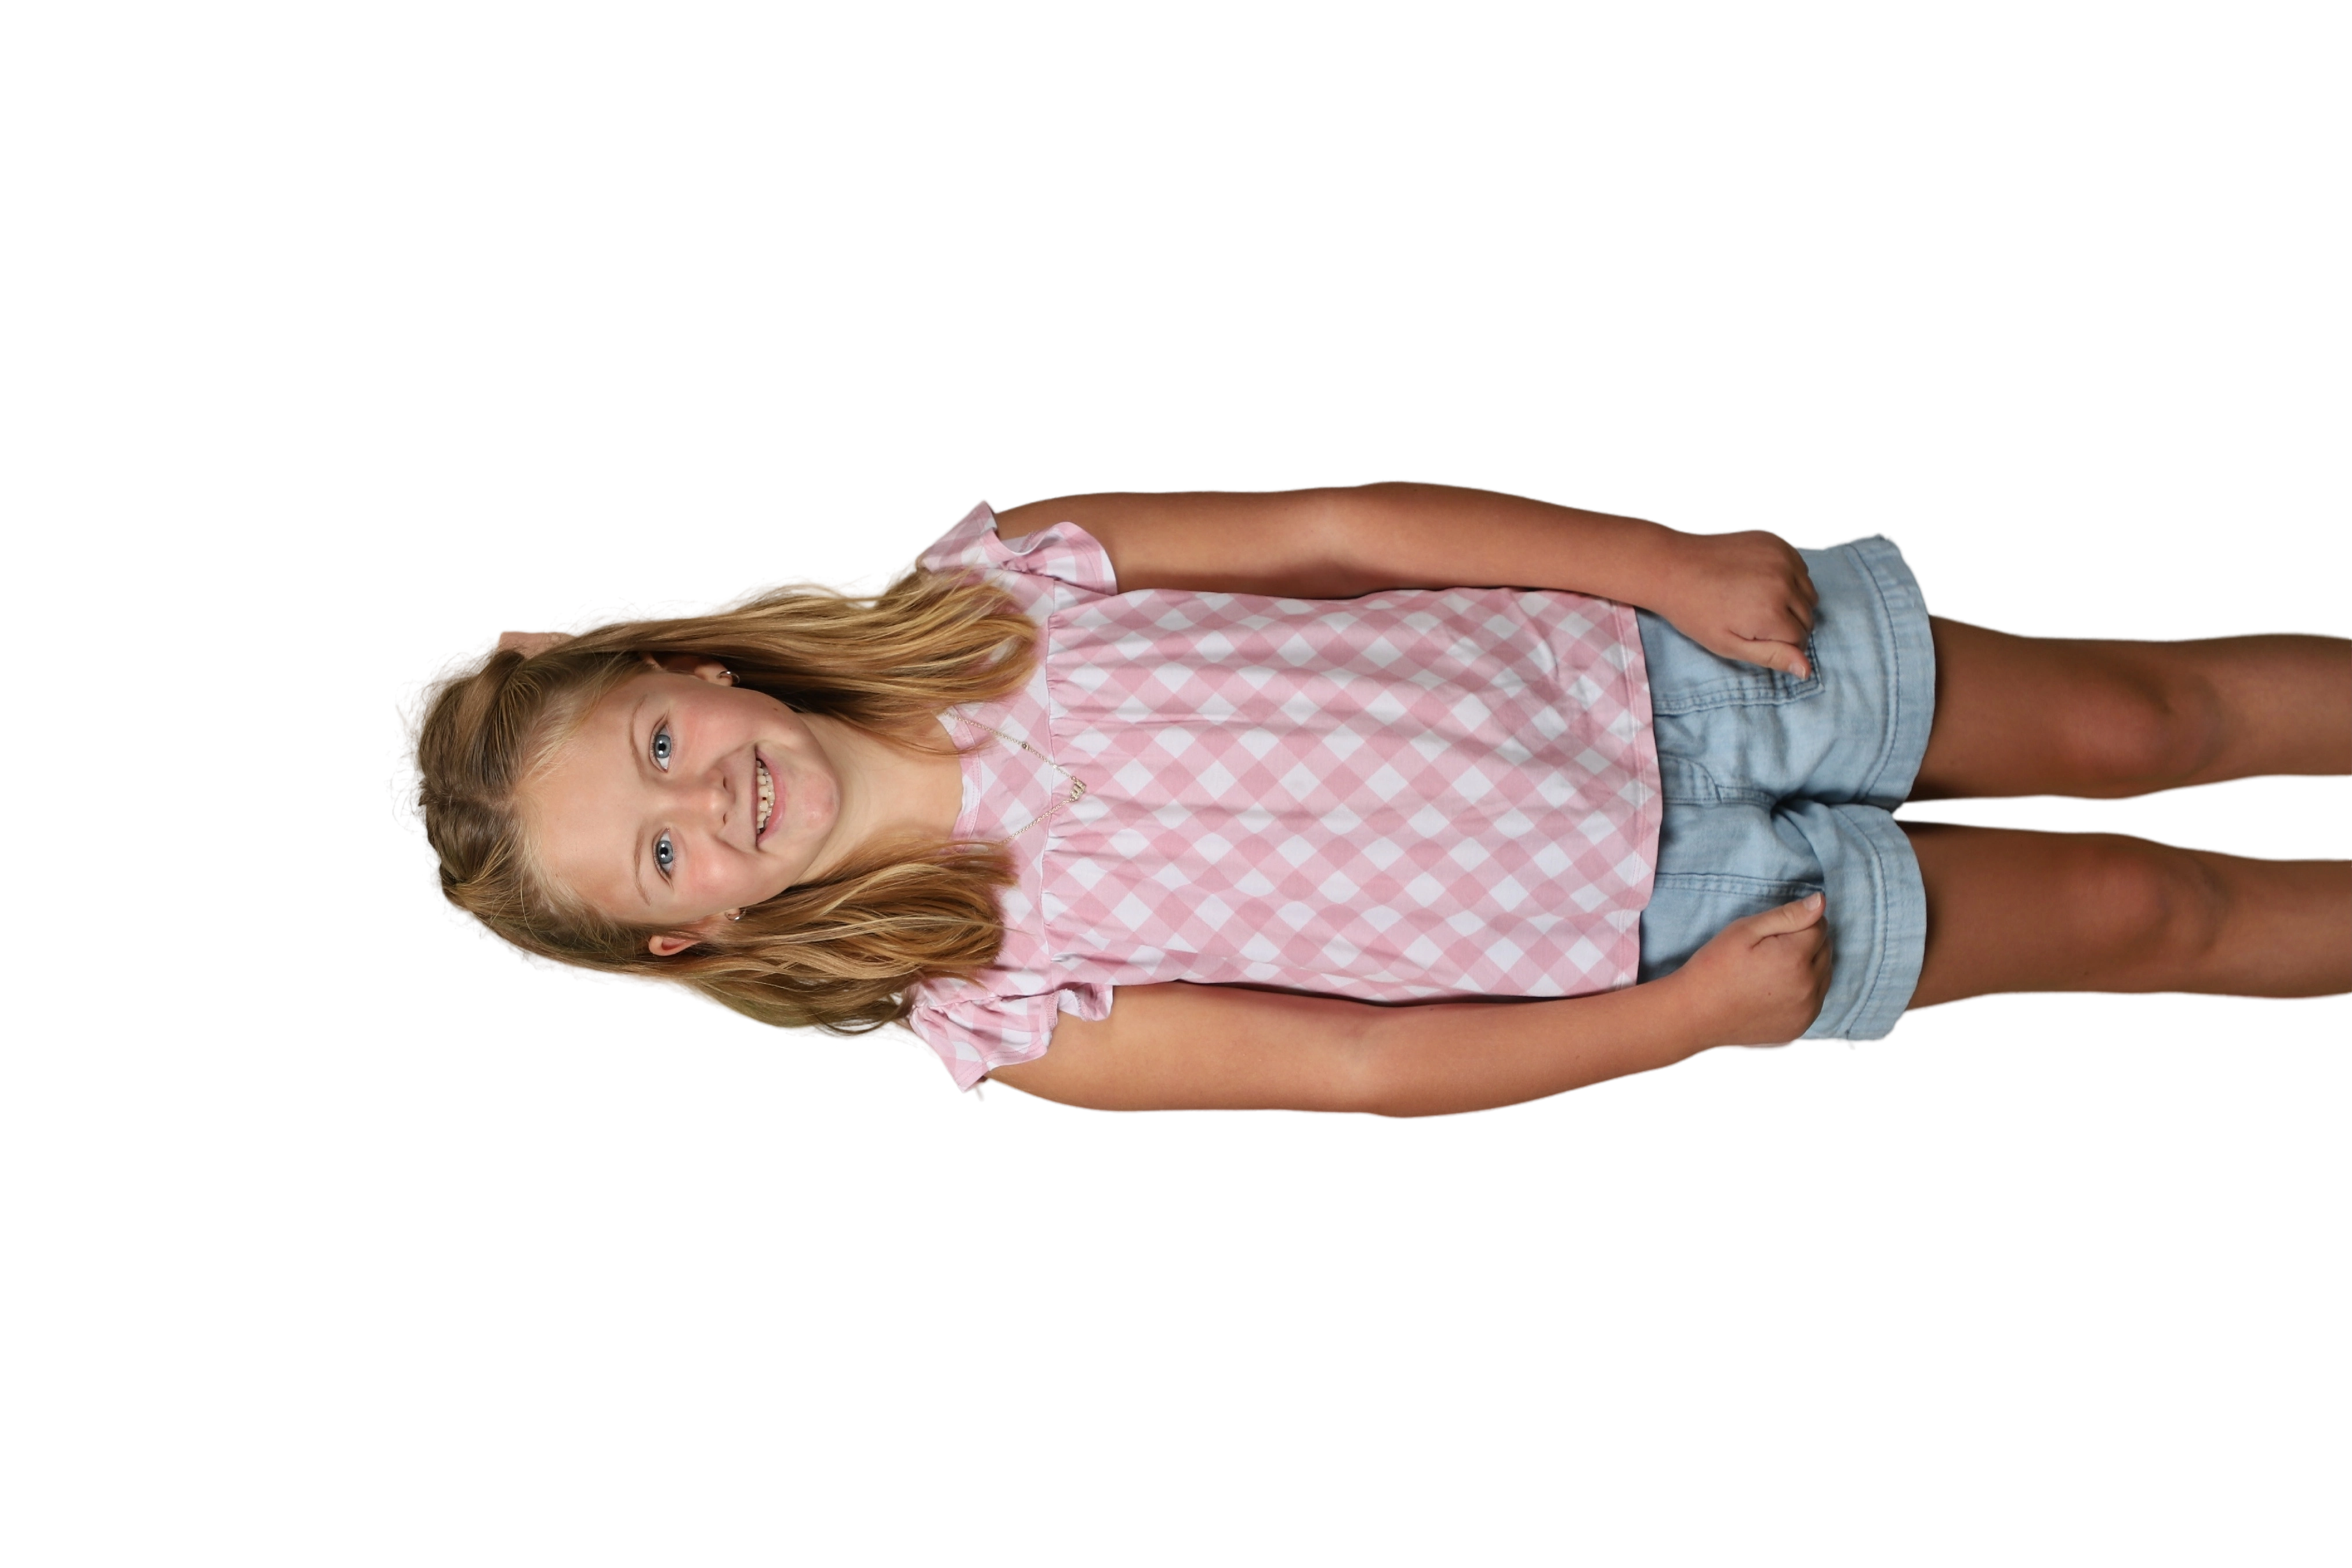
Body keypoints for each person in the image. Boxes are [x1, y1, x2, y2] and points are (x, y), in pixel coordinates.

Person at [383, 480, 2352, 1120]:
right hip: (1675, 934)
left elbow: (1334, 533)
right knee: (2144, 918)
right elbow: (1350, 1064)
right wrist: (1687, 1015)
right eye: (662, 850)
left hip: (1674, 665)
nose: (712, 800)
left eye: (657, 745)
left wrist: (1657, 566)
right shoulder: (994, 1003)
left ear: (692, 668)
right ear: (693, 928)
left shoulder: (995, 583)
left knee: (2138, 721)